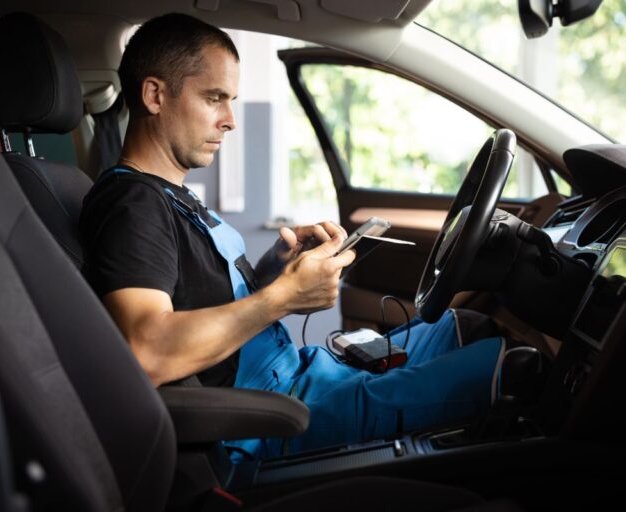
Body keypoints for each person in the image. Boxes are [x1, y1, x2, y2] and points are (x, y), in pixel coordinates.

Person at [79, 13, 505, 458]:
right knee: (506, 366)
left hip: (299, 374)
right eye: (214, 98)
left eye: (232, 100)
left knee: (462, 328)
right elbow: (147, 350)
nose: (230, 120)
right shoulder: (133, 204)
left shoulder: (172, 194)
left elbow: (196, 293)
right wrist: (283, 297)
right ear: (154, 95)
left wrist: (273, 270)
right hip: (267, 412)